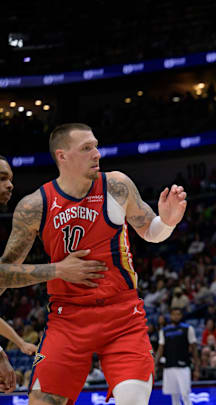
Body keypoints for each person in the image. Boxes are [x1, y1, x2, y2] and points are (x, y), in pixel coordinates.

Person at [0, 123, 187, 405]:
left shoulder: (117, 184)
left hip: (122, 314)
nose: (97, 153)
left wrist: (168, 222)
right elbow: (3, 273)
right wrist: (58, 270)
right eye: (87, 148)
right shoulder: (34, 205)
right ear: (62, 156)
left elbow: (151, 230)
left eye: (96, 146)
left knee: (133, 400)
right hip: (67, 318)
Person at [156, 308, 199, 405]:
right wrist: (155, 364)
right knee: (174, 396)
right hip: (169, 366)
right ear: (170, 316)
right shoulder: (164, 331)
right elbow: (160, 349)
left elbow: (194, 349)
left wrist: (197, 368)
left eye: (178, 314)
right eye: (174, 314)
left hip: (183, 367)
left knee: (185, 395)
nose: (176, 316)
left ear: (181, 316)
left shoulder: (188, 329)